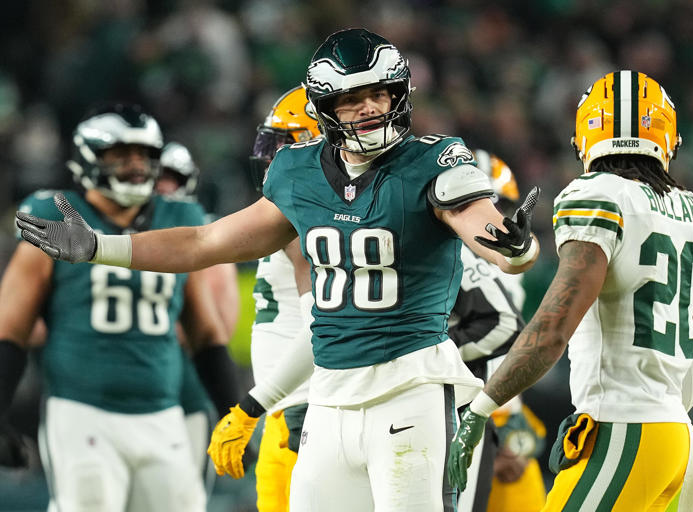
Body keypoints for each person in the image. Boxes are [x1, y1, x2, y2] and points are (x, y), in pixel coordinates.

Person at [15, 29, 542, 512]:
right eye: (351, 99)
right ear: (326, 108)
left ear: (398, 95)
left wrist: (514, 250)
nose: (369, 109)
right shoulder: (298, 170)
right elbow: (205, 242)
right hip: (330, 399)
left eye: (378, 94)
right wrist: (100, 248)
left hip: (410, 391)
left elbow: (485, 229)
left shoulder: (437, 161)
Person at [447, 70, 693, 512]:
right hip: (677, 440)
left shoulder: (595, 194)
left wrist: (480, 408)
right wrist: (669, 409)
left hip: (623, 430)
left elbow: (554, 327)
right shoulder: (692, 208)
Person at [0, 102, 242, 511]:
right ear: (88, 158)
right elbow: (11, 328)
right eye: (121, 154)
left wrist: (230, 414)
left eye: (145, 155)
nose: (136, 165)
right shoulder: (52, 216)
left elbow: (206, 333)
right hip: (81, 409)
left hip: (162, 413)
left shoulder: (179, 216)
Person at [453, 150, 547, 512]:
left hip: (495, 406)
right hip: (469, 408)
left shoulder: (505, 262)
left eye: (497, 207)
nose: (489, 223)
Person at [247, 85, 319, 512]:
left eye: (283, 147)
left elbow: (321, 324)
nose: (271, 160)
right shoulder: (291, 211)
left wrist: (279, 402)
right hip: (287, 408)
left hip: (300, 410)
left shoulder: (303, 219)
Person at [156, 140, 241, 489]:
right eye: (157, 176)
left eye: (171, 178)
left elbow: (218, 328)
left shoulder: (206, 235)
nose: (163, 186)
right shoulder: (110, 231)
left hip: (186, 391)